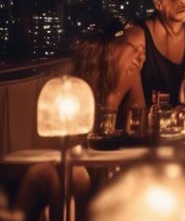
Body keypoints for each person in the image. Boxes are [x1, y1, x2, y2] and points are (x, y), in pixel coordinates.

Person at [13, 18, 146, 221]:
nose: (141, 55)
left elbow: (138, 120)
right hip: (68, 154)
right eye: (134, 47)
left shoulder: (131, 72)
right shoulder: (76, 73)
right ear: (115, 44)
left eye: (144, 49)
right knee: (54, 175)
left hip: (103, 159)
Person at [125, 0, 185, 105]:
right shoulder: (139, 35)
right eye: (175, 1)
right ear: (158, 4)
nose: (183, 6)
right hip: (150, 118)